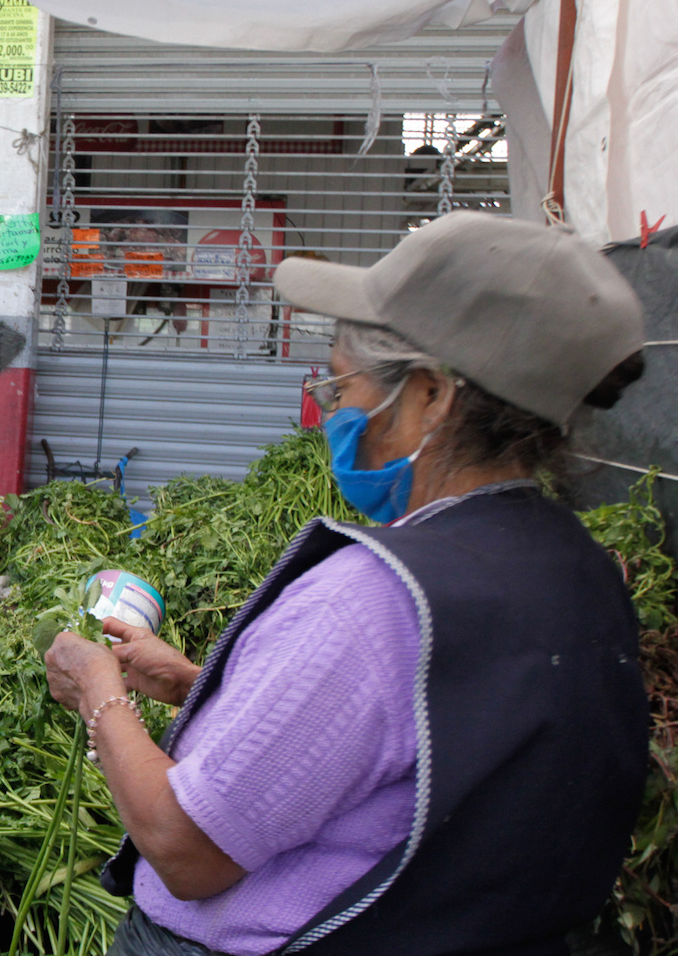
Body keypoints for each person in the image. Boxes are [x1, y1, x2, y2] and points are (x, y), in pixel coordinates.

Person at [43, 212, 651, 956]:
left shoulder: (376, 600)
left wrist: (99, 693)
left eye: (341, 383)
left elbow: (185, 849)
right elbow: (434, 745)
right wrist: (197, 684)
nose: (333, 409)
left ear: (432, 395)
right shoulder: (583, 575)